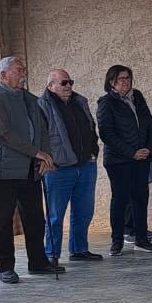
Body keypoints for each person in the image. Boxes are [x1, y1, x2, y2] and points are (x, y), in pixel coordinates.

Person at [0, 56, 60, 283]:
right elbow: (2, 132)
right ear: (4, 75)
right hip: (4, 171)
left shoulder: (30, 99)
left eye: (23, 69)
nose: (23, 73)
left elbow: (43, 129)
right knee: (3, 221)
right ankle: (6, 267)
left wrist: (45, 157)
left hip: (30, 169)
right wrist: (36, 153)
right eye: (18, 69)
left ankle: (38, 262)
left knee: (35, 219)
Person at [40, 68, 103, 264]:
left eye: (70, 82)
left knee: (83, 211)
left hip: (85, 165)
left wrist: (94, 152)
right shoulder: (42, 105)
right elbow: (40, 136)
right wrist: (45, 159)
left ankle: (79, 249)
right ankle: (51, 254)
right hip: (58, 169)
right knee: (55, 216)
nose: (68, 86)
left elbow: (91, 128)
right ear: (51, 86)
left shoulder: (79, 101)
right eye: (63, 83)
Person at [97, 65, 152, 254]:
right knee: (121, 199)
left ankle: (141, 238)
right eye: (121, 79)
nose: (126, 82)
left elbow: (150, 125)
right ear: (112, 82)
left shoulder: (137, 97)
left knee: (141, 197)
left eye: (128, 78)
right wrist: (131, 152)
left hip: (142, 158)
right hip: (118, 160)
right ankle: (117, 241)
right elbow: (107, 134)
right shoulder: (106, 102)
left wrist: (148, 148)